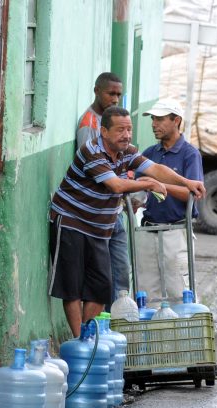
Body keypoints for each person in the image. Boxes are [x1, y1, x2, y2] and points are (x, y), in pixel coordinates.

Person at [49, 106, 206, 337]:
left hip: (100, 227)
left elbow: (154, 168)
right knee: (71, 288)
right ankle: (79, 339)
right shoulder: (92, 151)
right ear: (104, 131)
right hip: (72, 221)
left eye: (129, 129)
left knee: (101, 288)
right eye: (120, 130)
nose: (126, 135)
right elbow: (117, 185)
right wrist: (148, 184)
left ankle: (88, 337)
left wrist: (187, 182)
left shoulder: (127, 152)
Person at [137, 99, 204, 302]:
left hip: (176, 232)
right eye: (153, 119)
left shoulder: (190, 154)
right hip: (147, 231)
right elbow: (138, 187)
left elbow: (192, 193)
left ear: (176, 120)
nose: (154, 124)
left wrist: (156, 185)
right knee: (146, 295)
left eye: (159, 119)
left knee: (180, 294)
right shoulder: (150, 153)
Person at [76, 72, 129, 310]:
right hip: (96, 212)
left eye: (119, 94)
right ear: (97, 91)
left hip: (115, 209)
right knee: (102, 276)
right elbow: (96, 169)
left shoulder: (115, 121)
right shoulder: (90, 125)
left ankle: (121, 320)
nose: (116, 99)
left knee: (121, 272)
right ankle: (104, 326)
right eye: (111, 93)